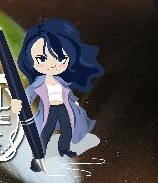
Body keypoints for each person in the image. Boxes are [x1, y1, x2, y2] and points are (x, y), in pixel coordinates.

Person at [10, 19, 103, 167]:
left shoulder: (61, 80)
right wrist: (19, 103)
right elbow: (29, 94)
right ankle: (39, 154)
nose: (51, 64)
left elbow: (68, 94)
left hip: (64, 108)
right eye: (42, 59)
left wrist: (74, 103)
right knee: (46, 132)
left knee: (67, 129)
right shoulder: (40, 81)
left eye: (59, 58)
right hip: (49, 110)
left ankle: (64, 150)